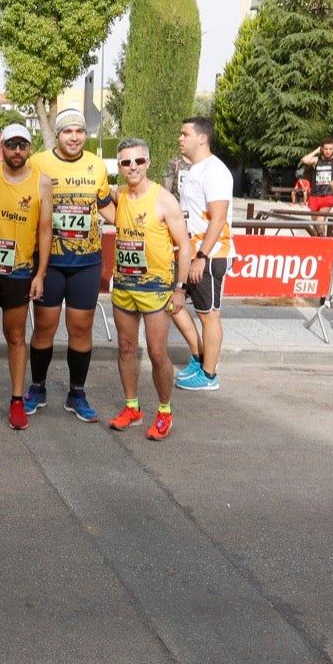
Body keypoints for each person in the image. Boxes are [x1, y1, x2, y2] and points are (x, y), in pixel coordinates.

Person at [101, 138, 192, 440]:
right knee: (126, 348)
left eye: (138, 161)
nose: (132, 167)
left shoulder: (164, 200)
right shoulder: (120, 195)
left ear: (148, 163)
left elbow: (185, 246)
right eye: (126, 162)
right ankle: (132, 407)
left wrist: (180, 289)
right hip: (124, 285)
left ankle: (164, 411)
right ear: (120, 167)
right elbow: (104, 205)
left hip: (155, 288)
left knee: (156, 352)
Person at [24, 108, 111, 422]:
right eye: (67, 132)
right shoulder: (38, 163)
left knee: (81, 329)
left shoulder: (97, 165)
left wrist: (148, 219)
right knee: (44, 327)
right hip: (50, 262)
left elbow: (107, 209)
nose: (74, 137)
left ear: (85, 135)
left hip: (86, 263)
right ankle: (37, 388)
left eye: (79, 131)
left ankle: (77, 393)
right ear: (57, 135)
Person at [0, 123, 50, 431]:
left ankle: (17, 399)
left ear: (29, 148)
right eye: (11, 145)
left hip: (18, 270)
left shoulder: (42, 182)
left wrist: (40, 273)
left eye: (22, 145)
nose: (16, 151)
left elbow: (45, 231)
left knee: (16, 336)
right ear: (1, 146)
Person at [172, 116, 233, 393]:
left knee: (209, 315)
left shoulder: (215, 171)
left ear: (202, 138)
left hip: (209, 255)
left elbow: (218, 218)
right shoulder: (195, 169)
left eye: (185, 134)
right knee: (171, 302)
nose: (180, 139)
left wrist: (202, 256)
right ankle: (199, 358)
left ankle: (209, 375)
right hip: (189, 253)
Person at [300, 137, 333, 234]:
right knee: (315, 225)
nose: (328, 151)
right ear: (322, 149)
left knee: (319, 222)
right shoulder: (317, 160)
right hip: (314, 196)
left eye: (330, 149)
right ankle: (319, 245)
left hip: (328, 196)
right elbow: (304, 160)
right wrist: (316, 151)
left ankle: (321, 245)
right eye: (325, 149)